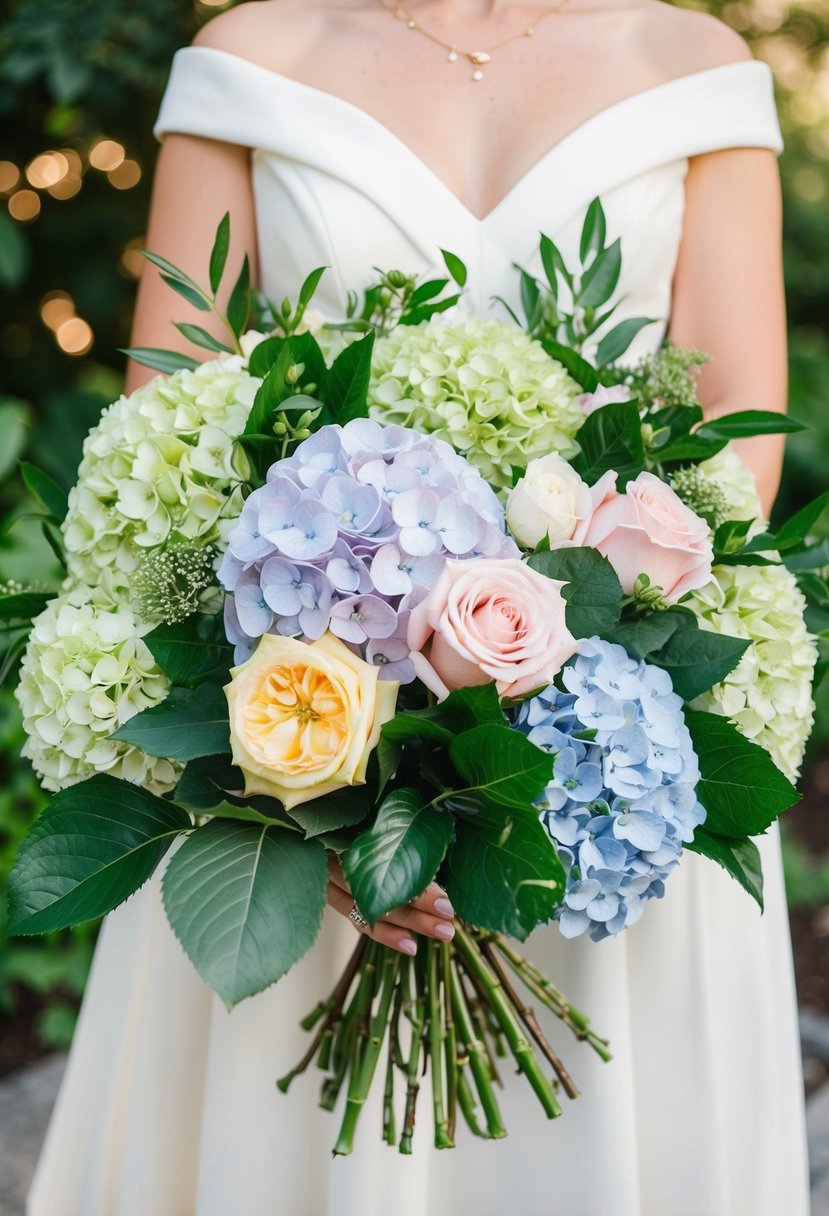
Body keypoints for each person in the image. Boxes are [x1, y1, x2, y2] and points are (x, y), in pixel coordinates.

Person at [26, 2, 809, 1213]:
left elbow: (728, 460)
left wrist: (543, 706)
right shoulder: (253, 58)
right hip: (293, 737)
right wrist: (331, 782)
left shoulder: (691, 67)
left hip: (601, 767)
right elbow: (169, 432)